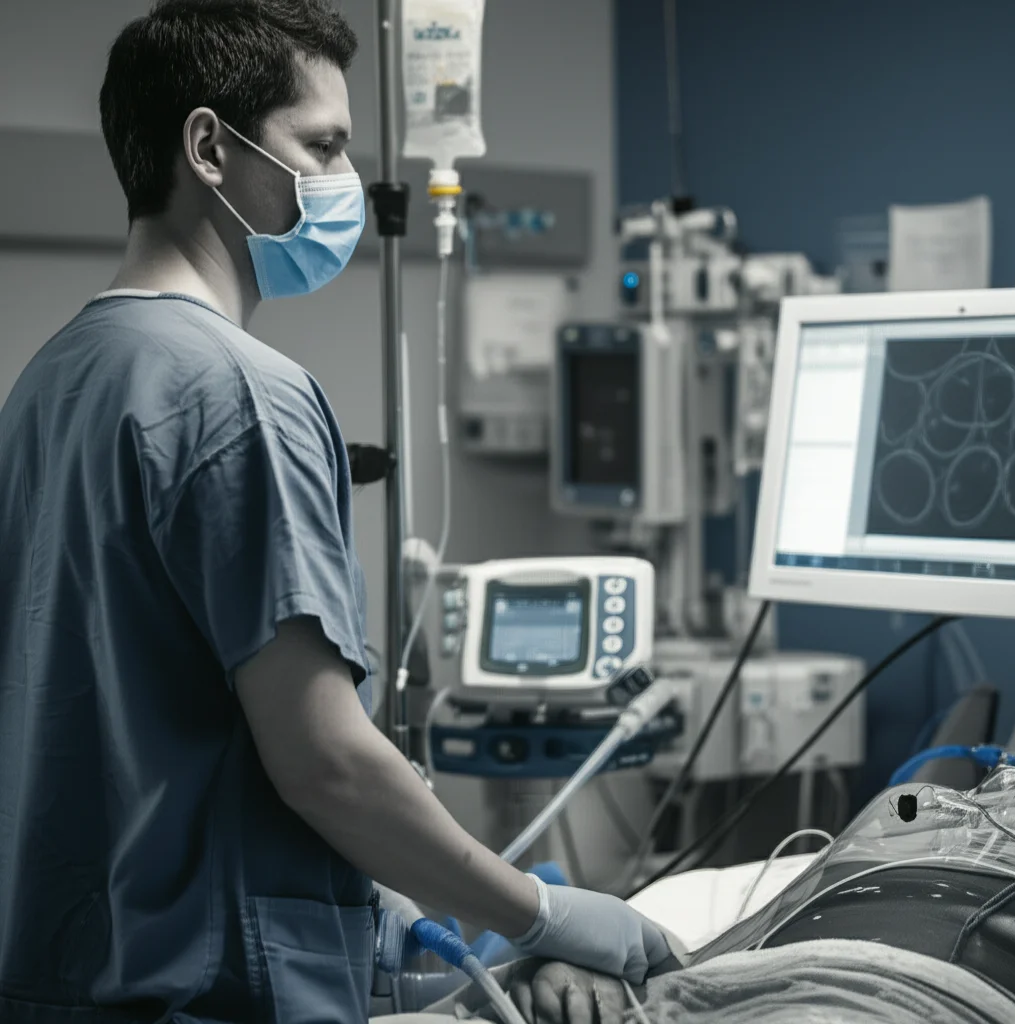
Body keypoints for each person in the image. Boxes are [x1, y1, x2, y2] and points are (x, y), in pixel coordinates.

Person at [0, 2, 671, 1021]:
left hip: (69, 973)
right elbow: (325, 763)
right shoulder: (241, 393)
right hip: (210, 985)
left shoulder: (49, 381)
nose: (341, 182)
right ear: (208, 149)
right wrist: (541, 914)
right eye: (320, 145)